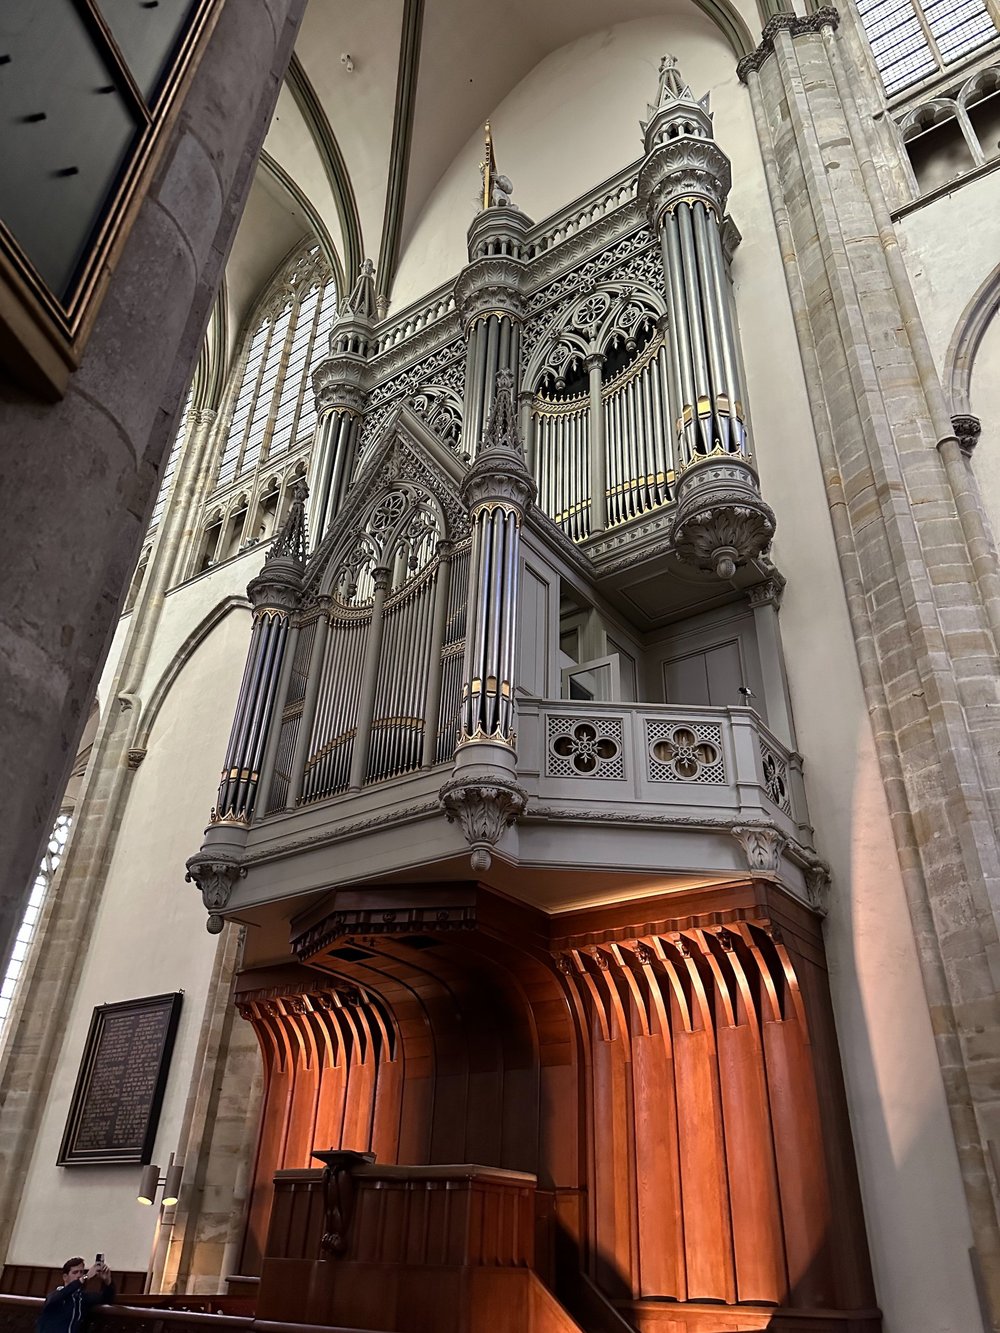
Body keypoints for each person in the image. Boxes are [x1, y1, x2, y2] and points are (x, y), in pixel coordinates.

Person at [37, 1258, 115, 1333]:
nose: (79, 1275)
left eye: (81, 1272)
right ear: (65, 1277)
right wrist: (85, 1277)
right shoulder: (56, 1295)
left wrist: (107, 1281)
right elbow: (59, 1296)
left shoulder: (82, 1297)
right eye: (75, 1272)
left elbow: (107, 1298)